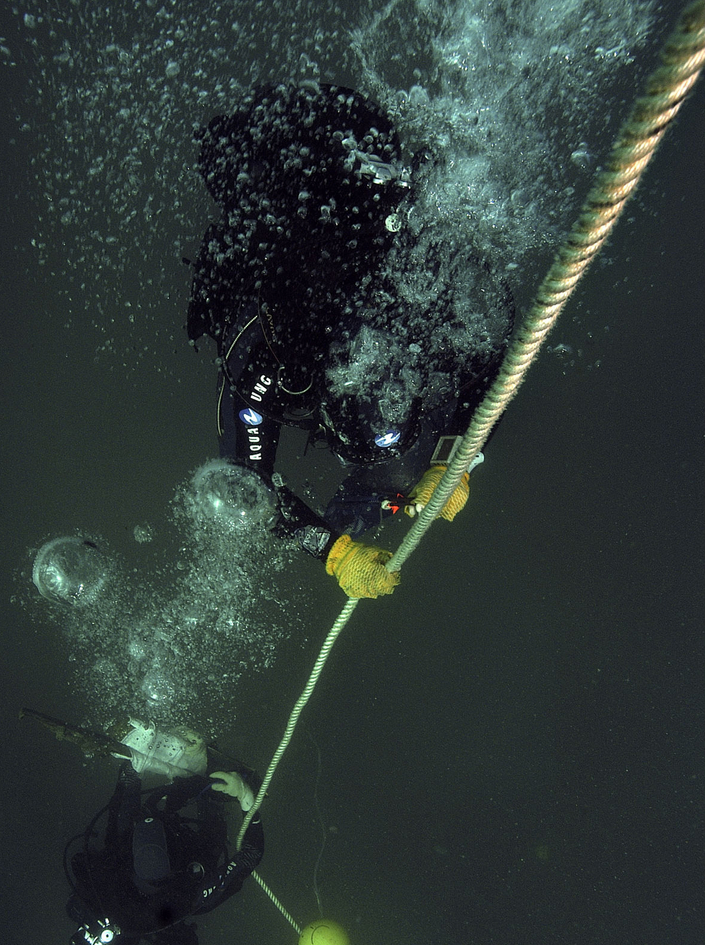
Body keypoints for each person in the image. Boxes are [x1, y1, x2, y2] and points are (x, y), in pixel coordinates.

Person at [186, 82, 514, 598]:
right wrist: (332, 552)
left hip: (363, 196)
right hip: (289, 217)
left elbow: (494, 357)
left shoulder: (420, 310)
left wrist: (453, 458)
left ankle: (352, 152)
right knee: (250, 190)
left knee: (386, 191)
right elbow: (238, 482)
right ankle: (272, 142)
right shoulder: (269, 365)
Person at [66, 760, 262, 945]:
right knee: (210, 841)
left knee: (133, 821)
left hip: (133, 856)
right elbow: (251, 854)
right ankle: (210, 802)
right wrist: (245, 797)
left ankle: (185, 789)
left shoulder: (115, 858)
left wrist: (133, 769)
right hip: (185, 865)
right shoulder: (185, 895)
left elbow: (121, 810)